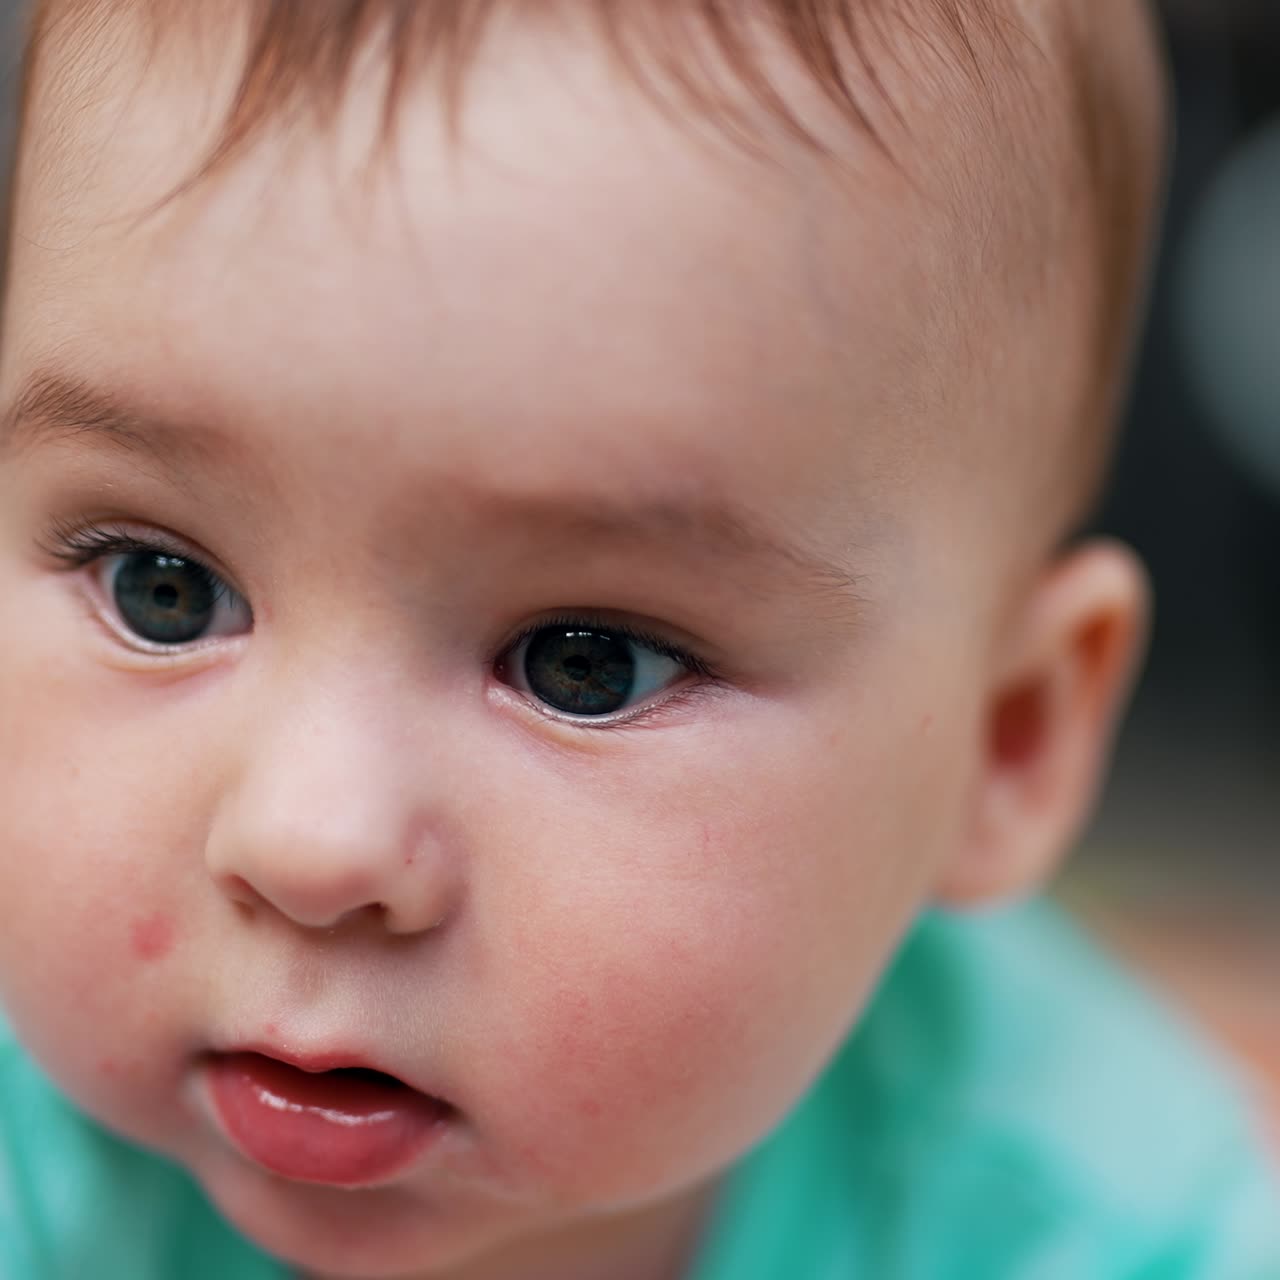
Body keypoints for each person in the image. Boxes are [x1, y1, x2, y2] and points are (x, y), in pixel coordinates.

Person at [0, 1, 1276, 1277]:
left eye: (585, 664)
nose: (311, 842)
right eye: (160, 586)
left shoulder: (1106, 1230)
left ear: (1008, 739)